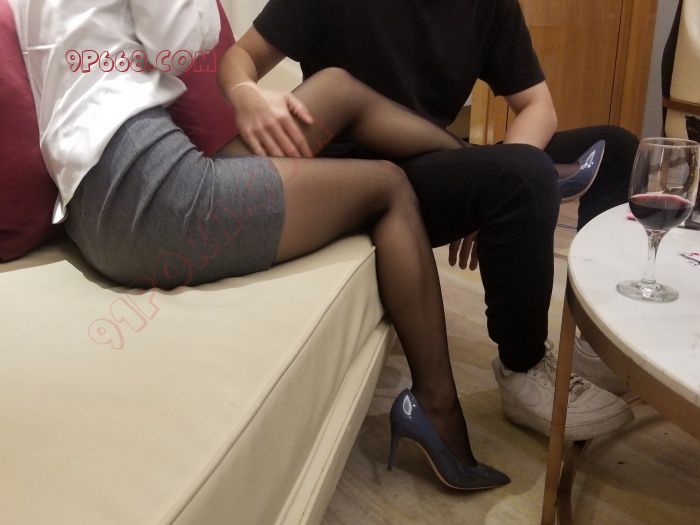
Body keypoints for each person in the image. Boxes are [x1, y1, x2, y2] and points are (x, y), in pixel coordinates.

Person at [8, 0, 529, 490]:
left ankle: (480, 165)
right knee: (389, 187)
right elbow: (178, 48)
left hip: (99, 201)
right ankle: (438, 412)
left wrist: (247, 93)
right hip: (153, 198)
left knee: (336, 87)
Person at [219, 0, 637, 445]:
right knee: (526, 174)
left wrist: (497, 167)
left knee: (617, 149)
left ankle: (594, 347)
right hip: (361, 179)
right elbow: (240, 56)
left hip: (437, 160)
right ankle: (524, 366)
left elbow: (538, 106)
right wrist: (245, 92)